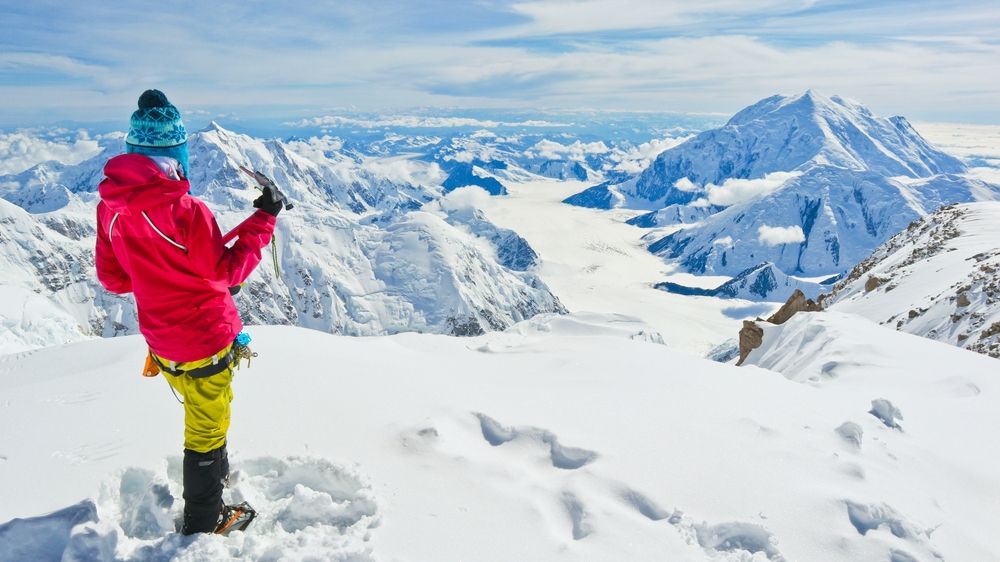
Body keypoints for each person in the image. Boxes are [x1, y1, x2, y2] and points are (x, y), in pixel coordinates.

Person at [94, 89, 282, 534]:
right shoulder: (187, 210)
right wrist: (265, 219)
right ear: (176, 153)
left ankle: (215, 482)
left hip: (162, 344)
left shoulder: (110, 210)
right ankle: (205, 521)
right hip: (205, 343)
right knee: (206, 431)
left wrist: (157, 274)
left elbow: (115, 279)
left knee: (206, 417)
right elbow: (227, 274)